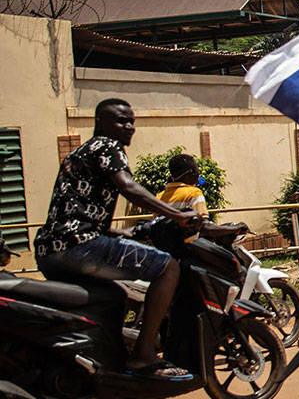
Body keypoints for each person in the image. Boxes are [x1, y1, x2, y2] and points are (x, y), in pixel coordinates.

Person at [34, 98, 199, 380]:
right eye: (122, 121)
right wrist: (175, 215)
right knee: (167, 267)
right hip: (80, 246)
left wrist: (120, 232)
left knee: (116, 293)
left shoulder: (79, 154)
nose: (129, 127)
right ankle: (144, 355)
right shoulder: (108, 146)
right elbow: (128, 187)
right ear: (101, 123)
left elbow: (74, 211)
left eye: (132, 121)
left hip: (51, 249)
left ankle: (110, 349)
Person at [157, 154, 248, 240]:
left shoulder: (160, 196)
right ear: (192, 172)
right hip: (189, 250)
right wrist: (235, 228)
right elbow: (204, 228)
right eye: (197, 170)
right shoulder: (193, 193)